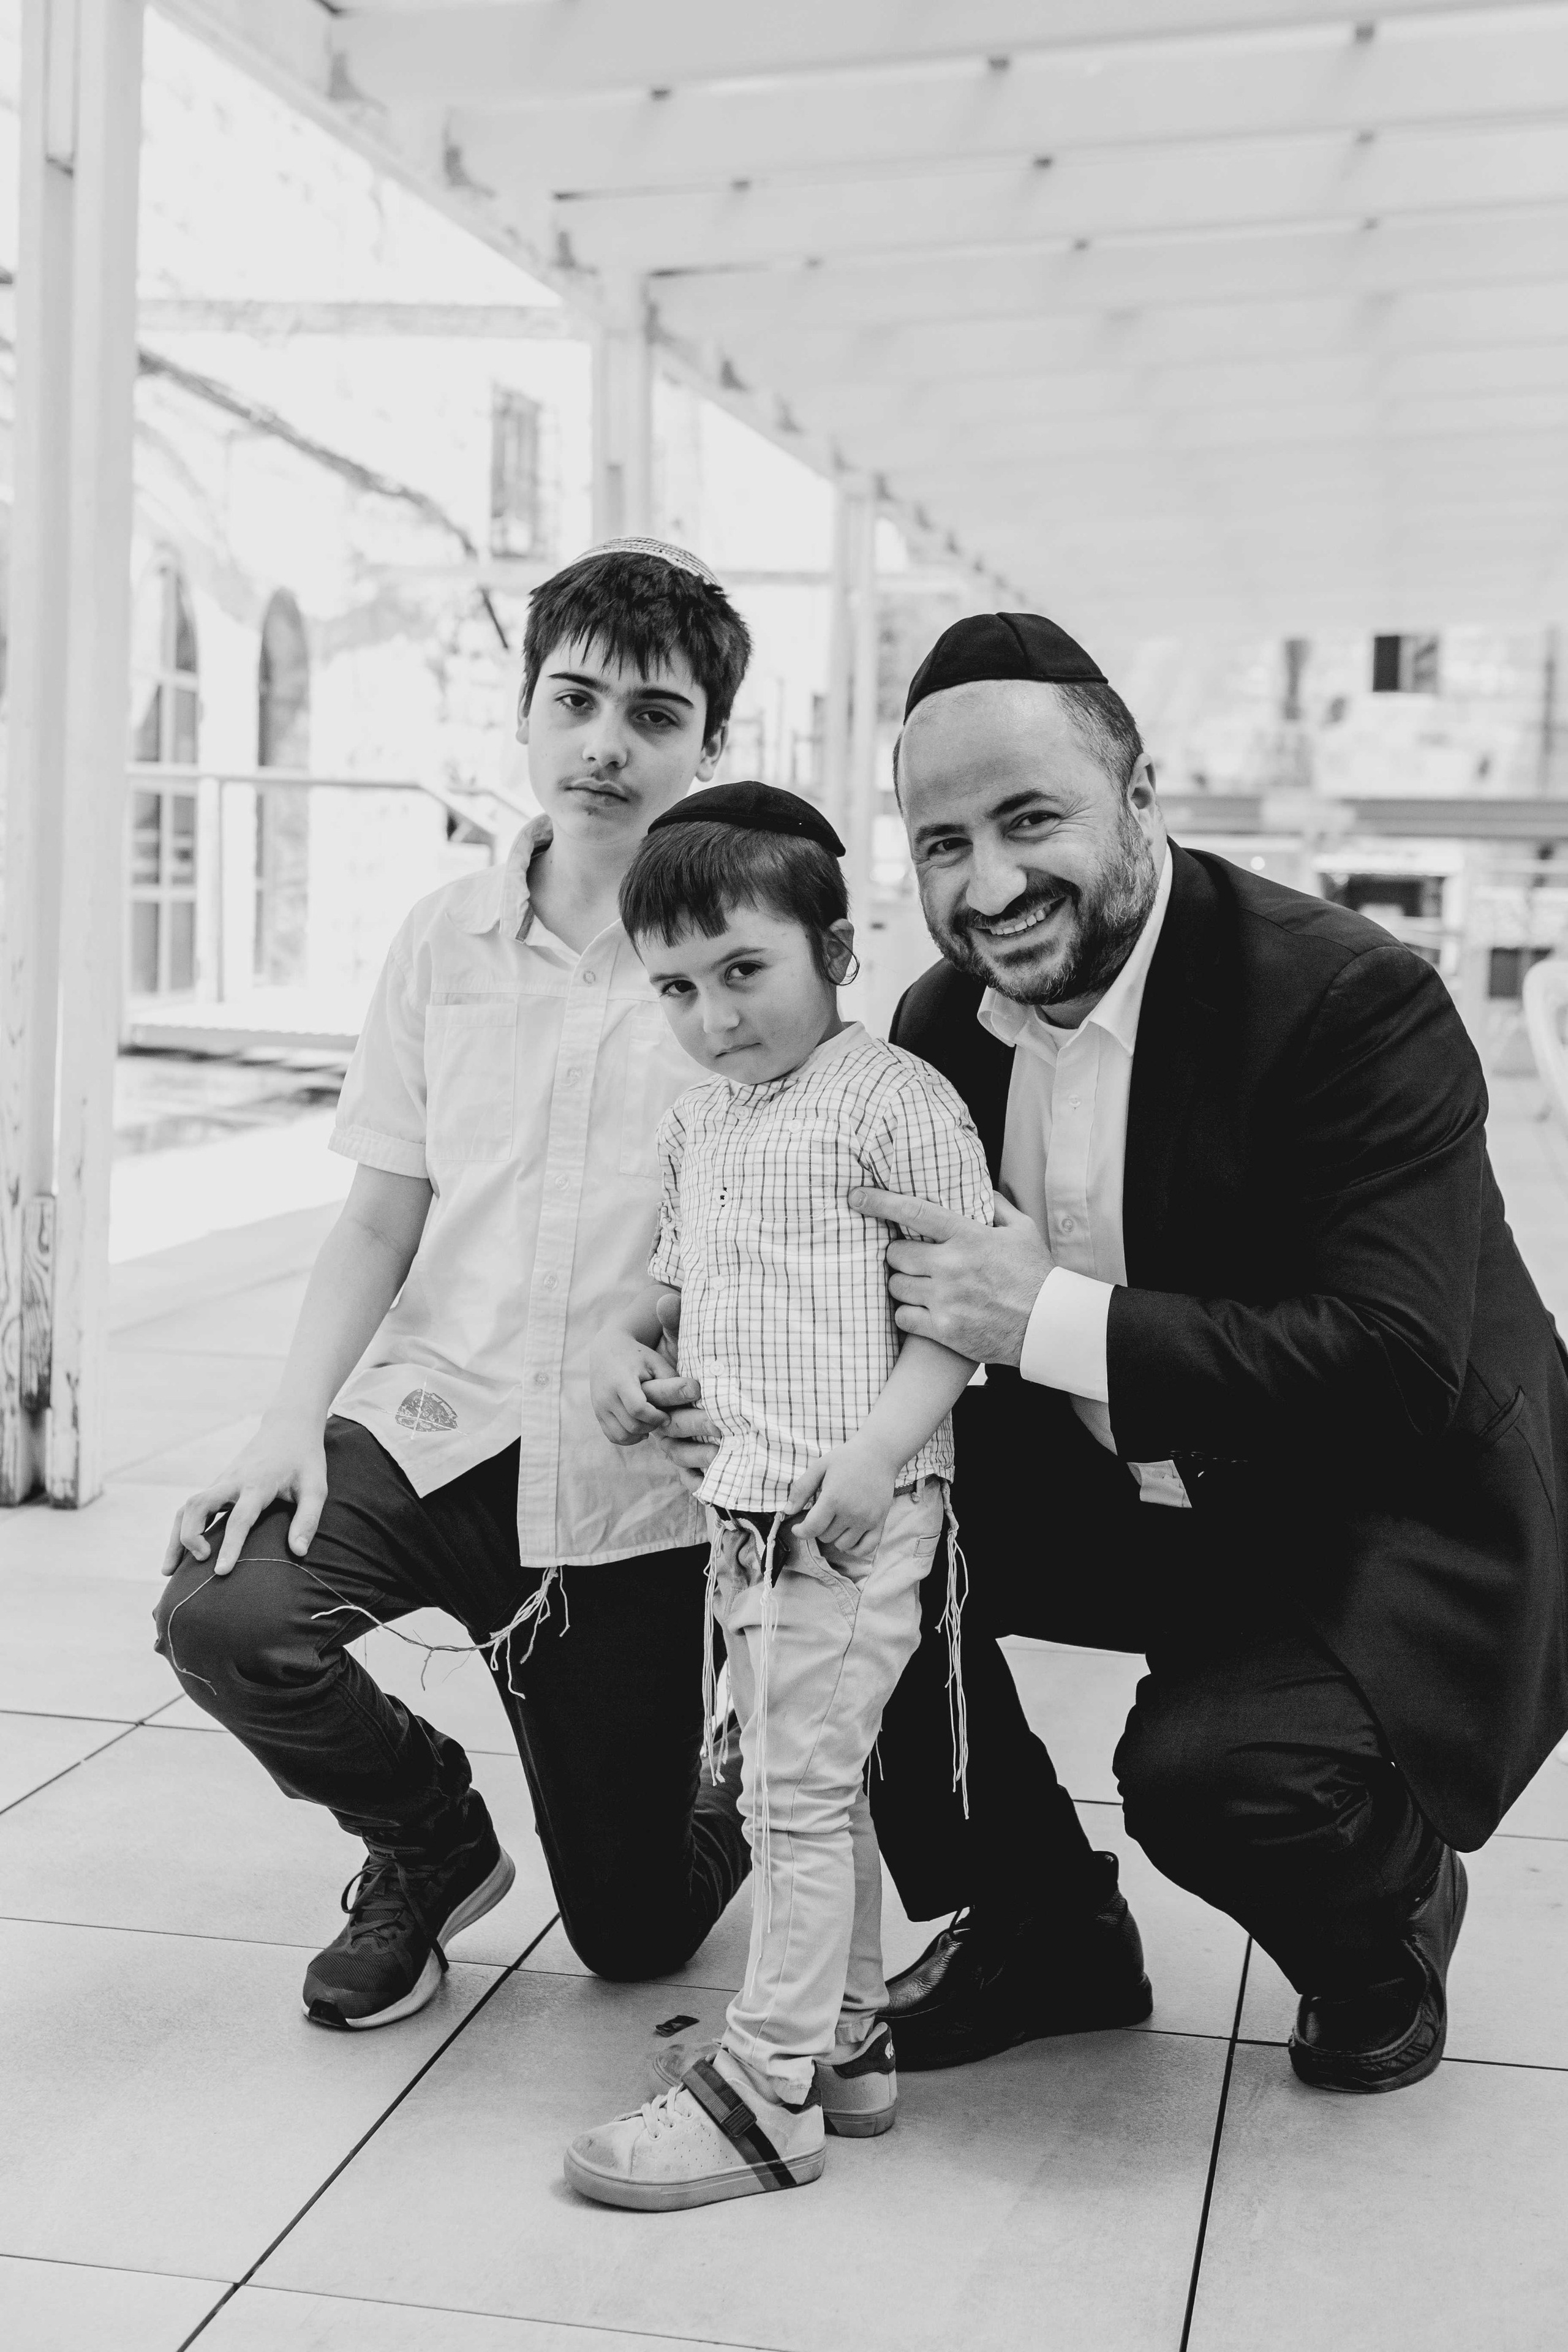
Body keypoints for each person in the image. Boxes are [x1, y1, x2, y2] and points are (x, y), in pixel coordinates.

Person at [843, 609, 1568, 2096]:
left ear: (1141, 795)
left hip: (1377, 1502)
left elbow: (1389, 1368)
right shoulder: (938, 1023)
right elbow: (885, 1279)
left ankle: (1383, 1921)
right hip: (1131, 1479)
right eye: (939, 842)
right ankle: (1042, 1927)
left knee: (1213, 1780)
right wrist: (701, 1349)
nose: (987, 884)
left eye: (1029, 818)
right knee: (837, 1545)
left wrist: (1032, 1314)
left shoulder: (1348, 998)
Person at [154, 539, 757, 2032]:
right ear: (527, 713)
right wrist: (288, 1419)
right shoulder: (444, 938)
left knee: (632, 1938)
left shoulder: (738, 958)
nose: (606, 746)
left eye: (655, 715)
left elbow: (774, 1224)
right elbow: (382, 1212)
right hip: (435, 1423)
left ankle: (720, 1778)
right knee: (226, 1613)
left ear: (710, 745)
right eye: (575, 700)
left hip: (625, 1484)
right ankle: (427, 1846)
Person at [562, 783, 992, 2211]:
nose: (712, 1015)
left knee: (793, 1806)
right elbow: (671, 1278)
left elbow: (958, 1311)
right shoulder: (708, 1124)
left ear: (832, 946)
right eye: (676, 987)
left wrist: (874, 1459)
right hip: (741, 1513)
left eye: (743, 970)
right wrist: (625, 1339)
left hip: (853, 1511)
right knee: (806, 1787)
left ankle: (765, 2090)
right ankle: (851, 2042)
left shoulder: (894, 1102)